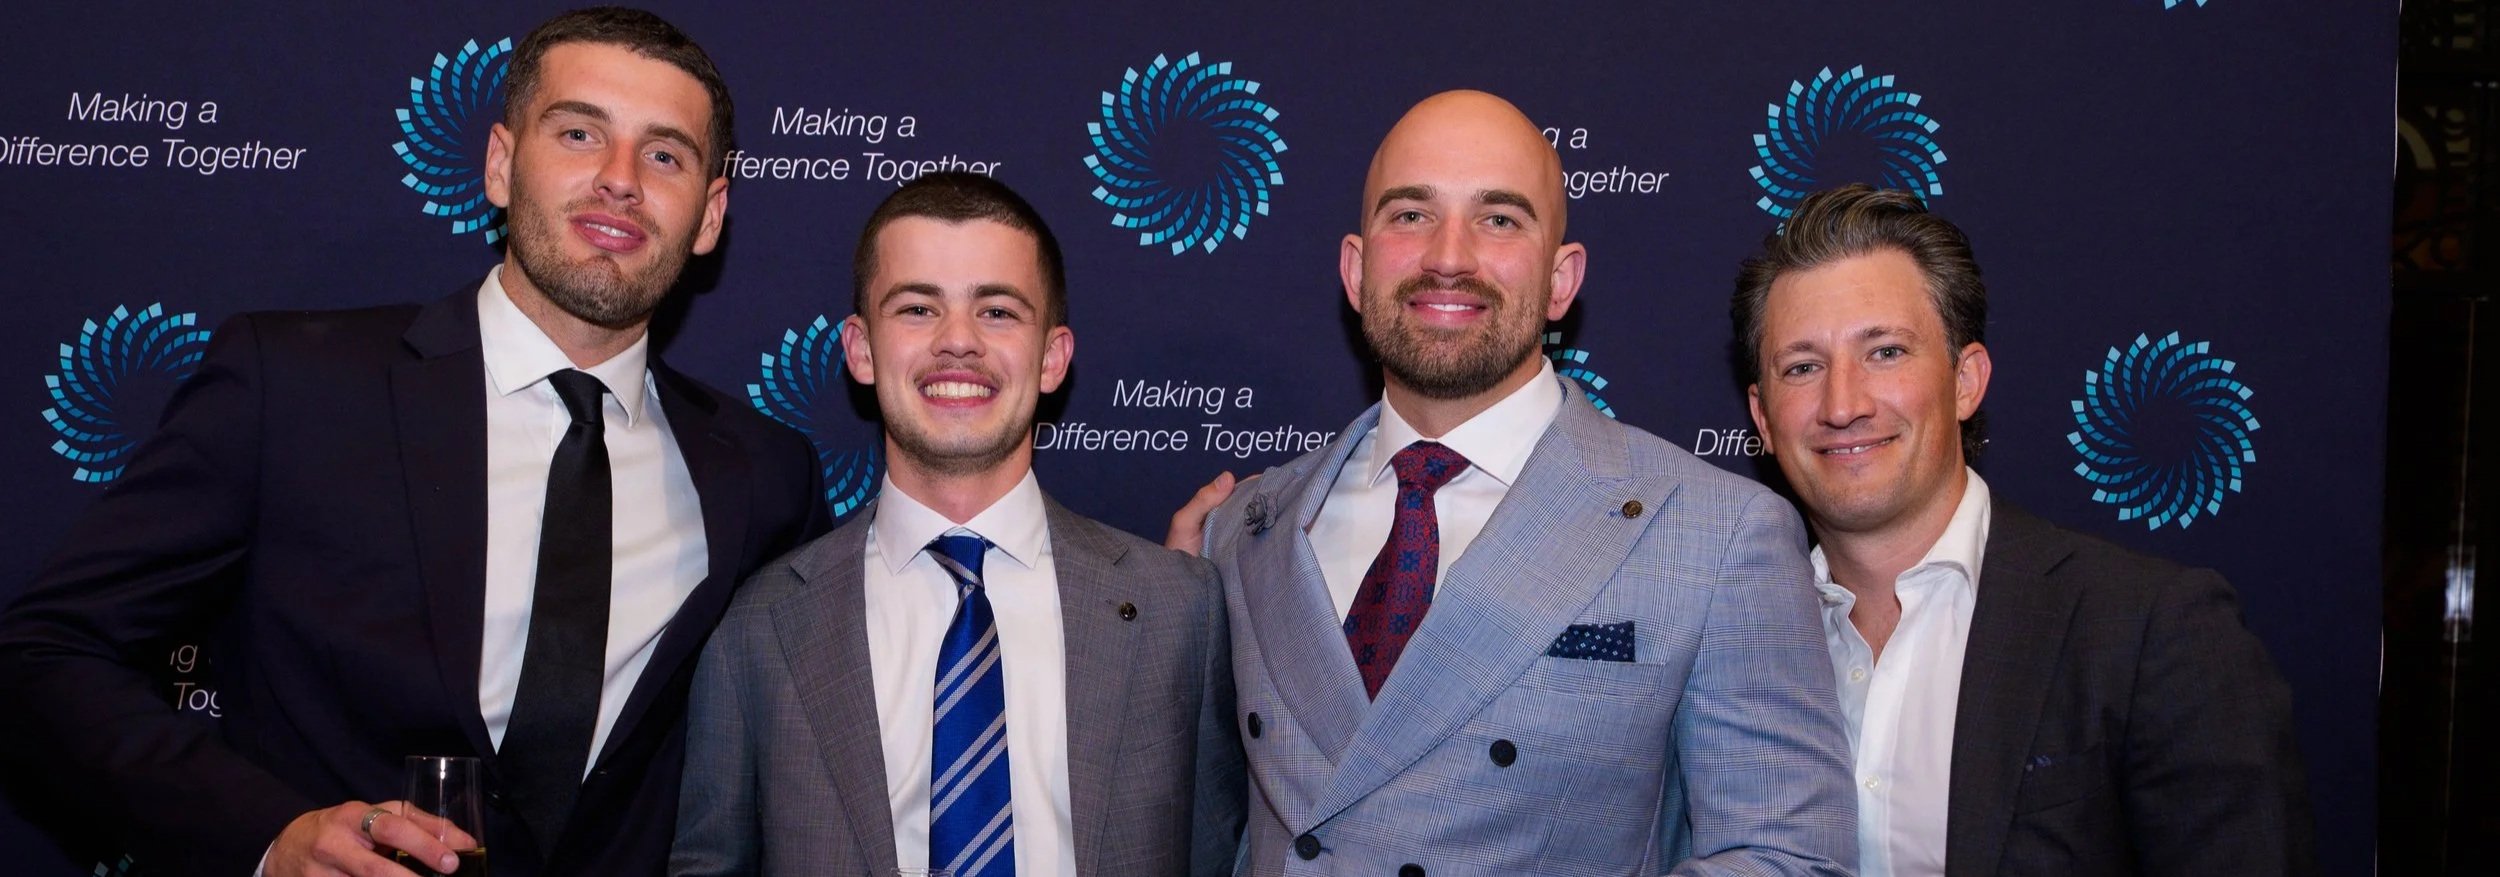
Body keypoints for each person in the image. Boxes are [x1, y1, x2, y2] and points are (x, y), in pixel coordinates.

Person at [0, 8, 828, 877]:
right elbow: (43, 655)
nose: (620, 179)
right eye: (580, 132)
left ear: (709, 214)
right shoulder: (290, 387)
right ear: (502, 166)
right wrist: (269, 838)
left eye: (665, 154)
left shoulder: (764, 476)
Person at [1185, 90, 1855, 875]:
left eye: (1499, 218)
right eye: (1410, 214)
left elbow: (1788, 856)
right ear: (1356, 269)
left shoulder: (1719, 532)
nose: (1449, 255)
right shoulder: (1243, 530)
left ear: (1561, 278)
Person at [671, 172, 1245, 877]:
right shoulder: (758, 629)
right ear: (860, 348)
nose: (958, 343)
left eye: (998, 311)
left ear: (1053, 357)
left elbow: (1227, 859)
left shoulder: (1181, 612)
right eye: (916, 308)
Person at [1731, 183, 2313, 876]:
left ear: (1966, 380)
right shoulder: (1730, 636)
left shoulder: (2149, 629)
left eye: (1885, 351)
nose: (1843, 403)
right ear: (1764, 419)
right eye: (1803, 367)